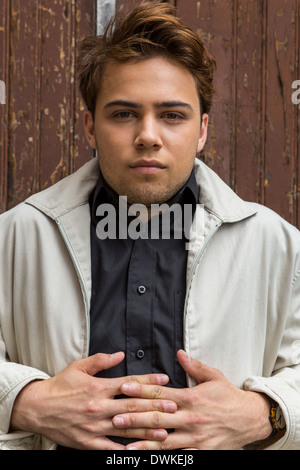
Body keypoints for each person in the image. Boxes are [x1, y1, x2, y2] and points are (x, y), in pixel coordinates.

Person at [0, 1, 300, 451]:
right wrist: (24, 401)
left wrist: (264, 413)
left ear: (201, 131)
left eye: (172, 115)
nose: (148, 135)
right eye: (123, 113)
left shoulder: (276, 245)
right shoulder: (15, 237)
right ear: (89, 126)